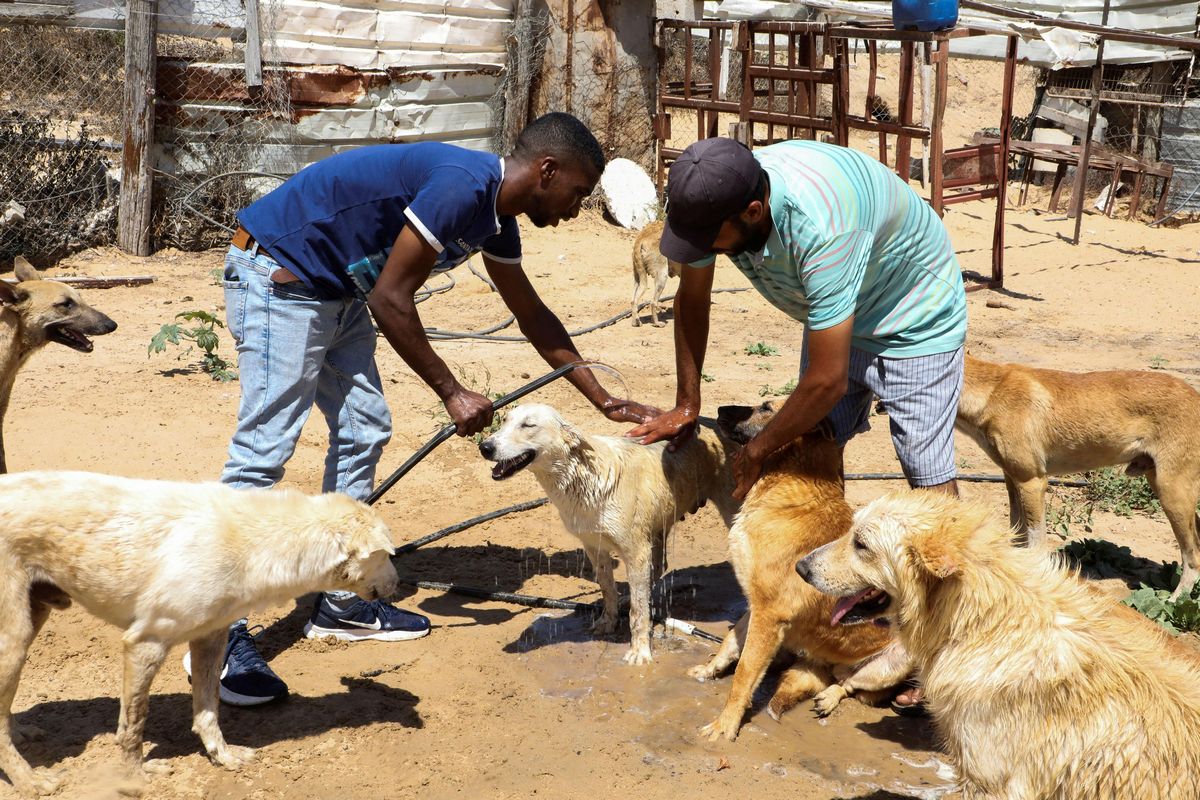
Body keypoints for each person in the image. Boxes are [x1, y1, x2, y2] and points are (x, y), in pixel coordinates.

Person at [197, 112, 658, 707]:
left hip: (335, 291)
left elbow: (533, 314)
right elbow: (392, 299)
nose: (576, 207)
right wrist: (452, 390)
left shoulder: (496, 220)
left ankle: (340, 599)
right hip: (282, 278)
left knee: (365, 427)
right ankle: (213, 634)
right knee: (265, 448)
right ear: (547, 171)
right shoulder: (463, 185)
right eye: (577, 191)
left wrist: (603, 398)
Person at [629, 136, 968, 713]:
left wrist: (759, 448)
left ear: (754, 213)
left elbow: (825, 383)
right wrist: (688, 403)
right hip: (836, 317)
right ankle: (827, 611)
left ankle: (948, 645)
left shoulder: (822, 224)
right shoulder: (716, 198)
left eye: (710, 241)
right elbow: (693, 298)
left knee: (927, 479)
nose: (702, 251)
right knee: (812, 453)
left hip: (913, 315)